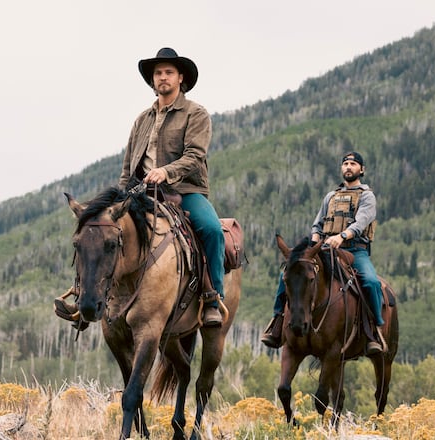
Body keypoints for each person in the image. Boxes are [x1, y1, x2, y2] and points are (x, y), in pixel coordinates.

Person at [56, 47, 226, 328]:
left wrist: (166, 172)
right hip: (141, 194)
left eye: (169, 72)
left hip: (184, 191)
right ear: (153, 80)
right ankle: (86, 297)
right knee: (96, 230)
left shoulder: (195, 114)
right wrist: (120, 196)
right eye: (158, 73)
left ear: (180, 78)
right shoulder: (141, 120)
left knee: (211, 230)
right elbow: (128, 166)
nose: (163, 77)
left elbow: (195, 156)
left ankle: (211, 297)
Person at [260, 152, 385, 354]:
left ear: (361, 170)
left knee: (371, 282)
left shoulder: (367, 196)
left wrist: (343, 236)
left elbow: (362, 221)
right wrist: (316, 238)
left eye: (353, 164)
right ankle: (277, 322)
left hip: (355, 250)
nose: (348, 167)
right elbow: (318, 224)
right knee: (290, 274)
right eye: (345, 163)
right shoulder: (331, 197)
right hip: (326, 249)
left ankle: (374, 330)